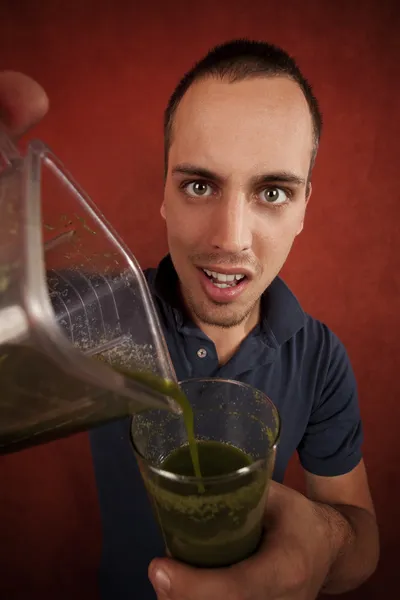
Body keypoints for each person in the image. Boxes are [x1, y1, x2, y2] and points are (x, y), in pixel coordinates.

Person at [1, 40, 379, 600]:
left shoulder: (320, 357)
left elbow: (360, 534)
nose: (229, 238)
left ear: (303, 210)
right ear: (164, 194)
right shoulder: (93, 312)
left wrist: (327, 542)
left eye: (272, 191)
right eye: (199, 185)